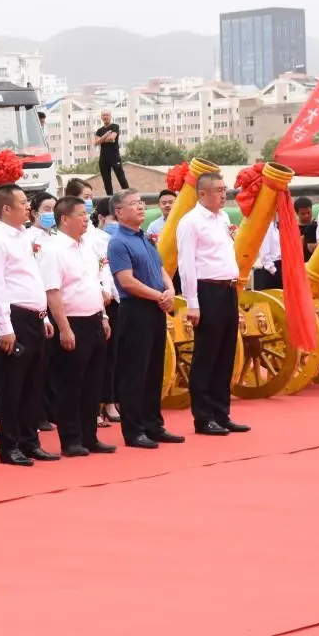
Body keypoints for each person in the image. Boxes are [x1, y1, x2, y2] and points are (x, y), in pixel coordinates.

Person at [0, 184, 58, 467]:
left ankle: (30, 441)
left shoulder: (24, 235)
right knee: (12, 385)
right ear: (6, 208)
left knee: (32, 384)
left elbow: (33, 278)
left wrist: (45, 315)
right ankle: (9, 445)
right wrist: (5, 327)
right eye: (24, 202)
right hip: (15, 318)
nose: (28, 207)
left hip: (35, 316)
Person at [106, 190, 185, 450]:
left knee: (154, 370)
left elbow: (160, 269)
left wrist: (170, 290)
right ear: (119, 212)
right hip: (136, 310)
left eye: (141, 203)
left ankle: (154, 424)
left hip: (155, 308)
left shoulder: (144, 238)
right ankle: (134, 430)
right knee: (135, 373)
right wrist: (159, 296)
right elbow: (126, 281)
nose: (141, 207)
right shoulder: (118, 242)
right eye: (134, 204)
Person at [40, 198, 116, 457]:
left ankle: (89, 436)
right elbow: (53, 293)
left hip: (94, 318)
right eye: (81, 214)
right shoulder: (54, 250)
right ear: (64, 219)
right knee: (70, 384)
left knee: (92, 383)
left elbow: (94, 283)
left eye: (88, 214)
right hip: (72, 322)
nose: (87, 218)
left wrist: (104, 317)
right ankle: (71, 439)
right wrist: (64, 328)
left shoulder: (87, 246)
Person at [177, 173, 251, 436]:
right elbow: (186, 265)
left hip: (228, 289)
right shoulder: (191, 223)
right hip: (207, 291)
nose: (224, 194)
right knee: (206, 355)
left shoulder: (223, 218)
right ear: (202, 193)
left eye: (224, 189)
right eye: (218, 190)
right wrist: (192, 303)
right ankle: (204, 417)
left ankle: (222, 413)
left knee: (226, 354)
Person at [93, 110, 129, 195]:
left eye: (107, 115)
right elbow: (95, 143)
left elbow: (112, 138)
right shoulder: (99, 130)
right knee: (106, 181)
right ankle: (109, 199)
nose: (105, 117)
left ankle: (128, 195)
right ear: (101, 117)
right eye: (103, 115)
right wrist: (106, 135)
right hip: (103, 158)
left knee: (121, 178)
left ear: (110, 116)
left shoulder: (115, 126)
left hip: (114, 156)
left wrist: (101, 140)